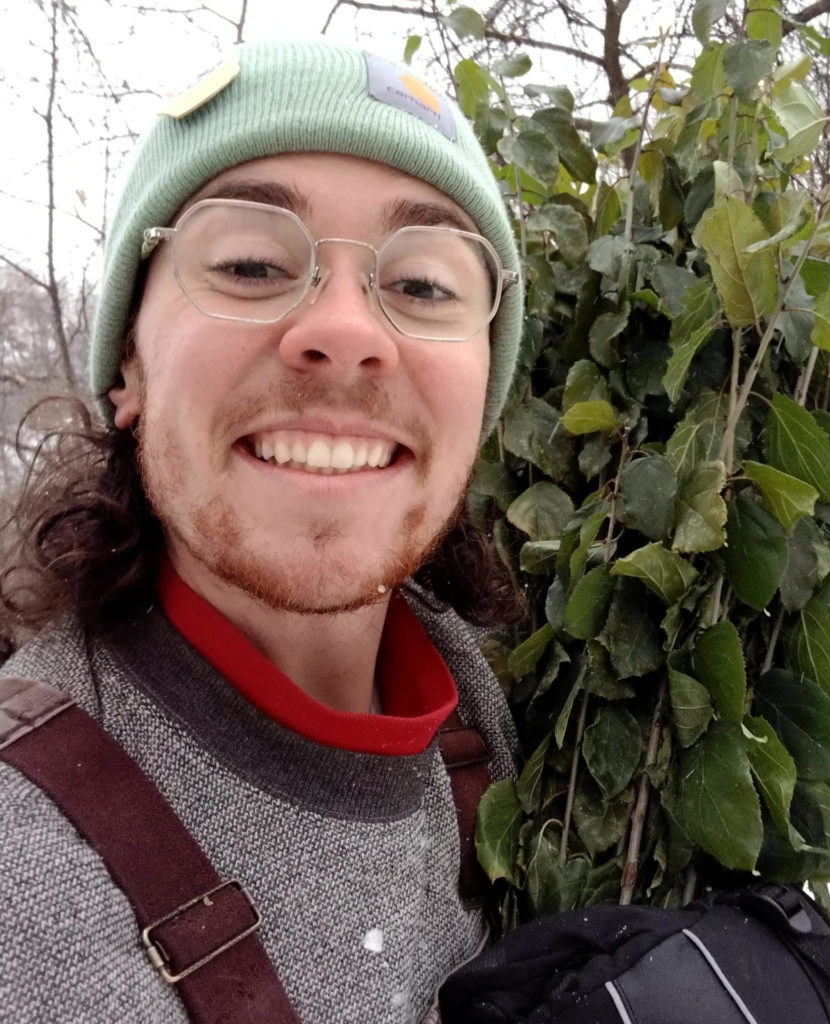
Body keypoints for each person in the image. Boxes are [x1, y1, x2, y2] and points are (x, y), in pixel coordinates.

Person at [0, 38, 526, 1023]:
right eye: (250, 262)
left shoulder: (467, 709)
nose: (347, 329)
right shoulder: (26, 887)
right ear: (129, 368)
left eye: (421, 285)